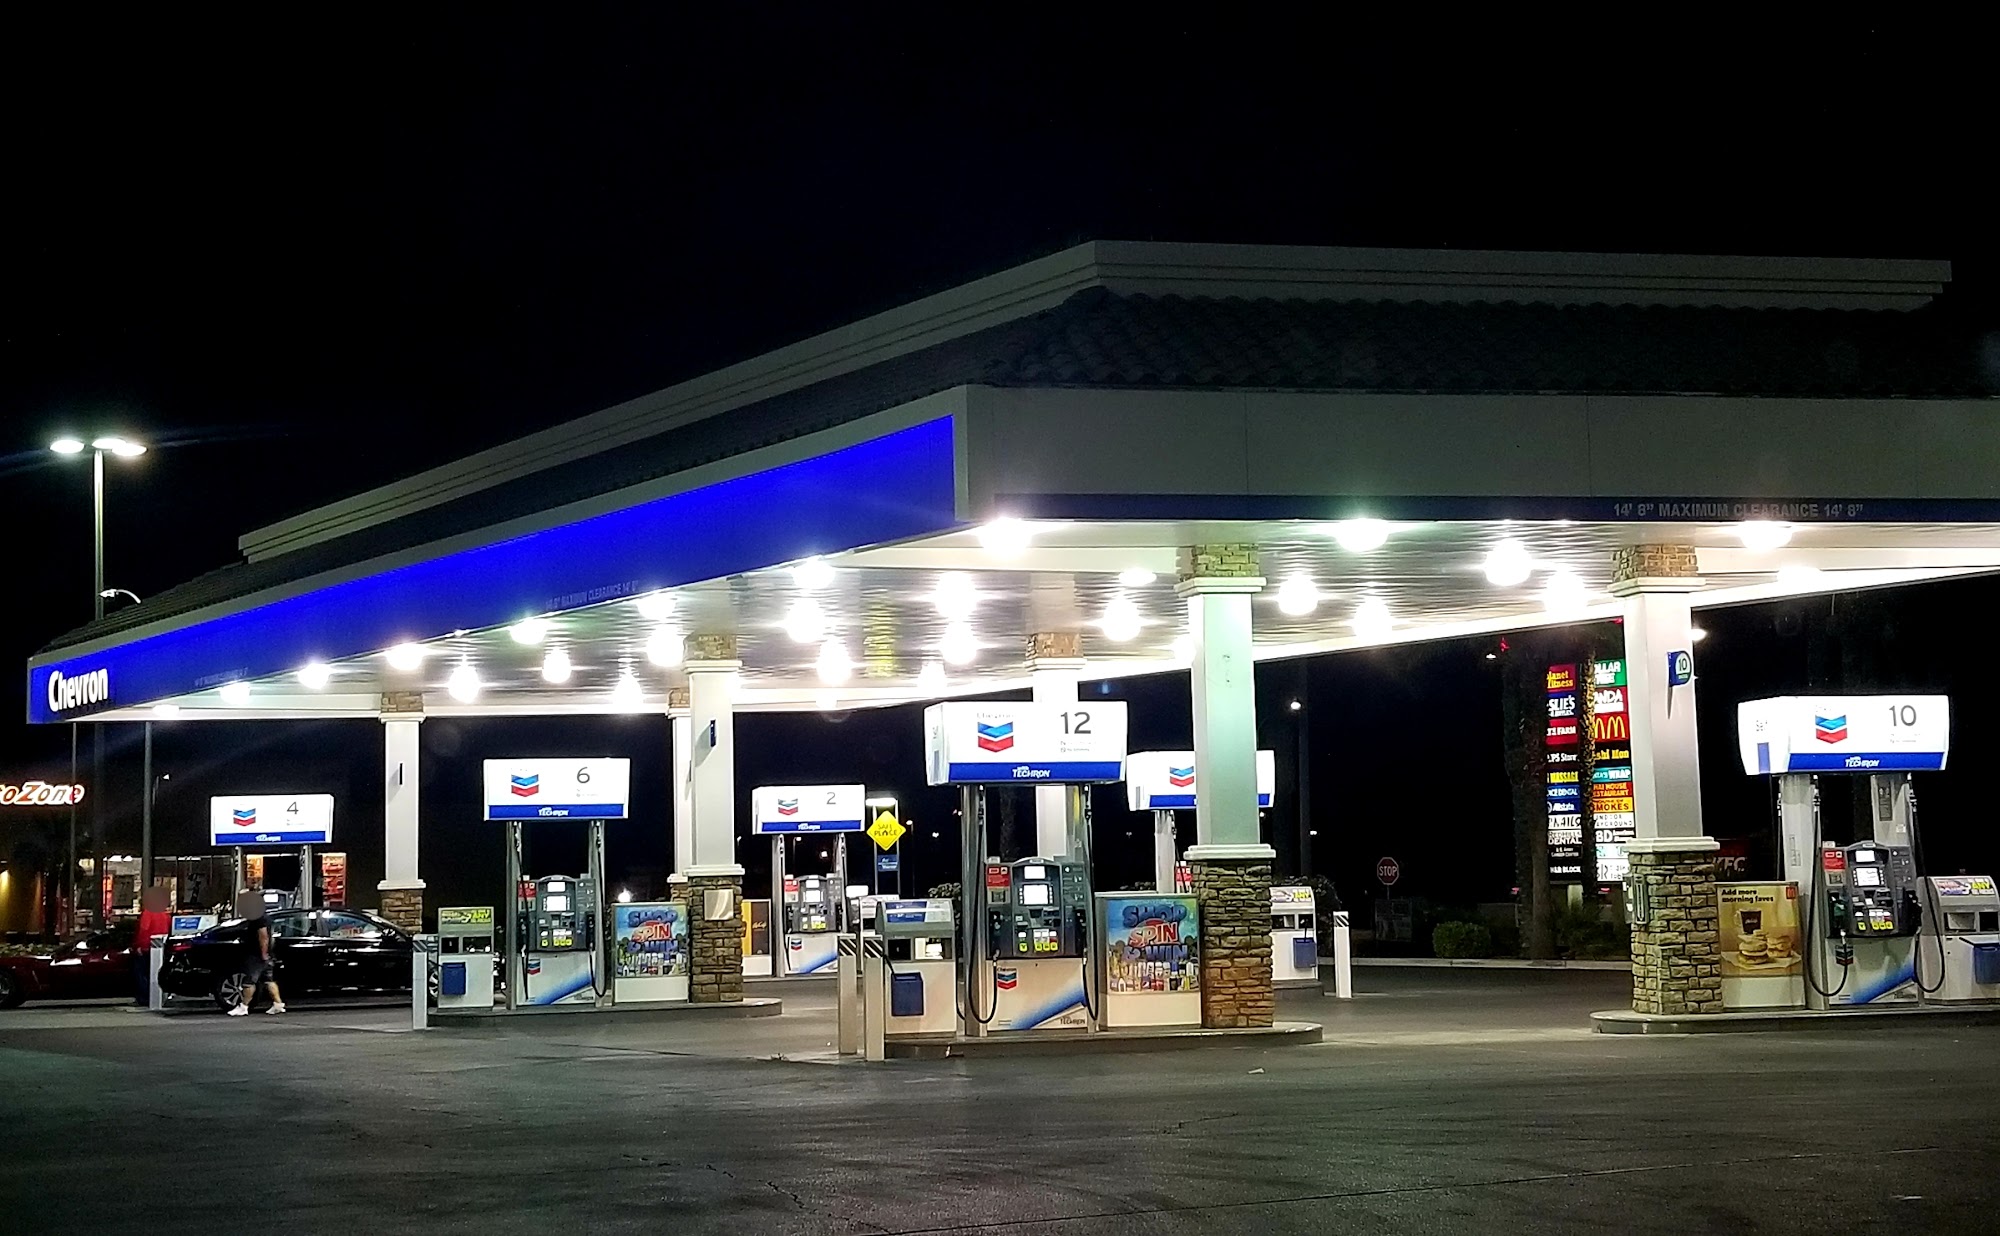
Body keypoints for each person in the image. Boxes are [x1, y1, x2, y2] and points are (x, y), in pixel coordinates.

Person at [228, 893, 285, 1016]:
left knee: (249, 981)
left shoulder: (258, 918)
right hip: (264, 954)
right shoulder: (263, 916)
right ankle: (278, 1004)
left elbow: (263, 936)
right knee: (268, 980)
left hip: (257, 955)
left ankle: (244, 1006)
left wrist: (263, 954)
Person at [132, 886, 174, 1006]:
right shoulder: (165, 914)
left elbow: (144, 930)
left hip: (146, 946)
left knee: (141, 973)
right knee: (156, 973)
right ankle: (157, 996)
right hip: (160, 947)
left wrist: (139, 946)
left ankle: (144, 998)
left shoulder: (148, 913)